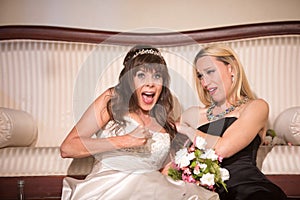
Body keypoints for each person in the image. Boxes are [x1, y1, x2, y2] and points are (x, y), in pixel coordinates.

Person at [60, 45, 219, 200]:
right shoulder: (112, 100)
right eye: (141, 75)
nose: (150, 83)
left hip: (153, 189)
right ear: (130, 80)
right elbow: (68, 148)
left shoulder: (163, 119)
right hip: (111, 187)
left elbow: (164, 171)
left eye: (157, 76)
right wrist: (124, 141)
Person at [176, 44, 287, 200]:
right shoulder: (194, 113)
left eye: (210, 72)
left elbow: (222, 149)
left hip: (248, 190)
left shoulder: (255, 107)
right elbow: (163, 135)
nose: (204, 82)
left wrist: (187, 130)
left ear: (231, 69)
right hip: (204, 194)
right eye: (200, 76)